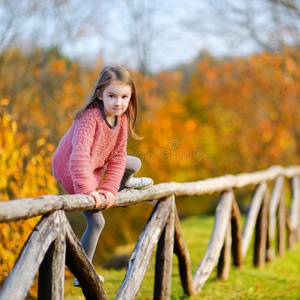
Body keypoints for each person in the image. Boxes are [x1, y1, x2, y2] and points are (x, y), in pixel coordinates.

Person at [52, 66, 153, 286]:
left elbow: (117, 157)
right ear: (100, 94)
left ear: (131, 97)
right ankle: (82, 274)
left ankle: (123, 184)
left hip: (94, 164)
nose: (119, 102)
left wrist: (109, 189)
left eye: (124, 97)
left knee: (133, 162)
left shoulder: (121, 119)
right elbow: (78, 158)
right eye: (112, 96)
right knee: (97, 222)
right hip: (72, 169)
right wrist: (89, 191)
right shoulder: (89, 118)